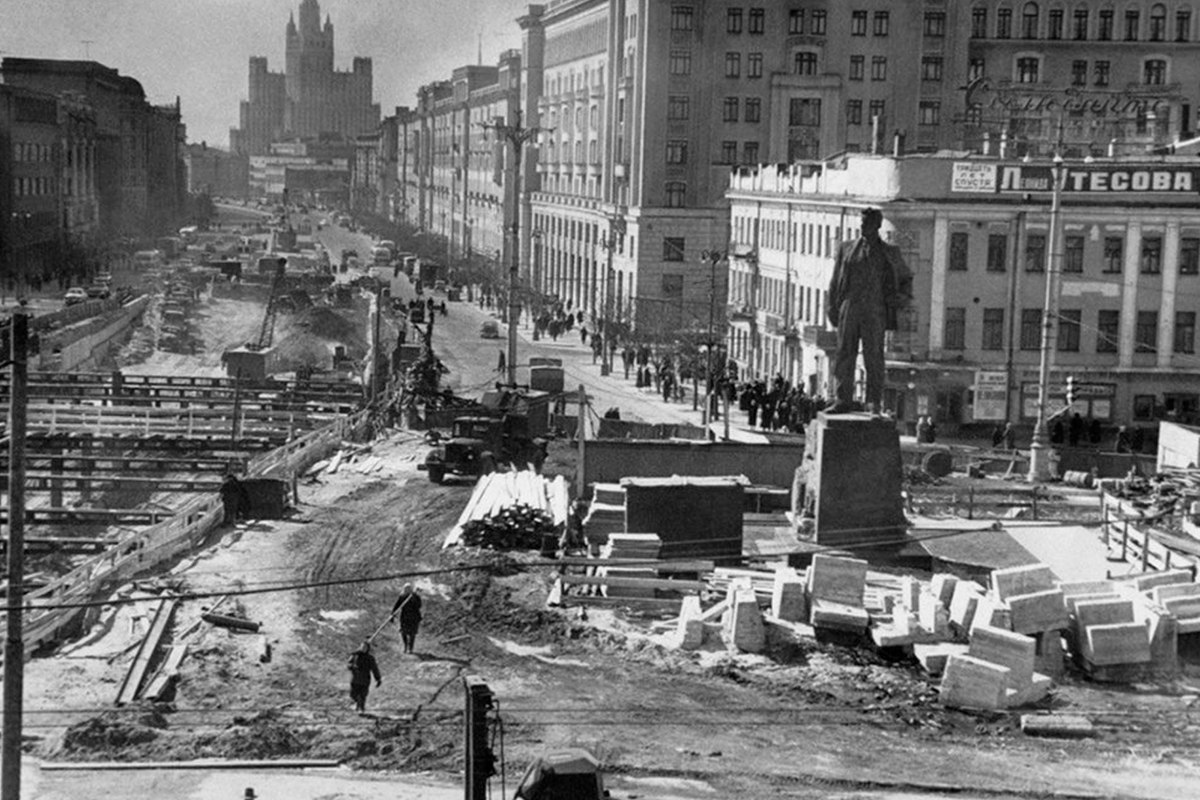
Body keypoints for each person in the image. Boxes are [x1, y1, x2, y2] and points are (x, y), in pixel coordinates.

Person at [826, 207, 913, 414]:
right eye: (862, 223)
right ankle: (842, 399)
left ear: (877, 225)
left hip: (875, 308)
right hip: (850, 305)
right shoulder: (847, 249)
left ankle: (873, 402)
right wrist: (832, 306)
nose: (863, 227)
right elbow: (835, 280)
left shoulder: (890, 252)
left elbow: (906, 279)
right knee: (845, 353)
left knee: (873, 356)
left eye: (867, 223)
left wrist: (900, 299)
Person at [347, 640, 381, 713]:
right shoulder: (354, 655)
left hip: (365, 679)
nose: (363, 649)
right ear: (360, 647)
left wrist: (378, 678)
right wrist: (351, 666)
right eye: (362, 647)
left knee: (363, 695)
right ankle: (357, 703)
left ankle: (361, 708)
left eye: (365, 647)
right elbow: (349, 664)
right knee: (353, 694)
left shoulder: (370, 658)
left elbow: (374, 668)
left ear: (367, 649)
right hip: (355, 678)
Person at [391, 584, 423, 654]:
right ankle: (405, 646)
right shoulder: (402, 597)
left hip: (414, 617)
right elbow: (397, 606)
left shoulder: (416, 597)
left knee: (412, 633)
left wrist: (413, 598)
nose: (407, 590)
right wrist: (392, 615)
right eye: (406, 588)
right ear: (404, 589)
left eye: (409, 588)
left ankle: (410, 648)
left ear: (411, 589)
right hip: (405, 617)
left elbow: (419, 605)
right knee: (403, 632)